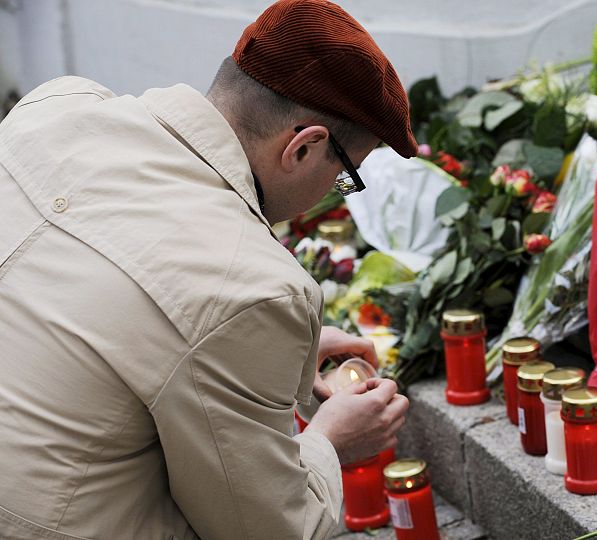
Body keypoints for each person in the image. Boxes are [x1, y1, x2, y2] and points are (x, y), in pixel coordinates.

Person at [0, 0, 416, 538]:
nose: (335, 192)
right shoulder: (250, 287)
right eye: (345, 176)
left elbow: (103, 311)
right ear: (304, 147)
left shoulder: (54, 109)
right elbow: (269, 529)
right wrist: (331, 442)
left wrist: (280, 356)